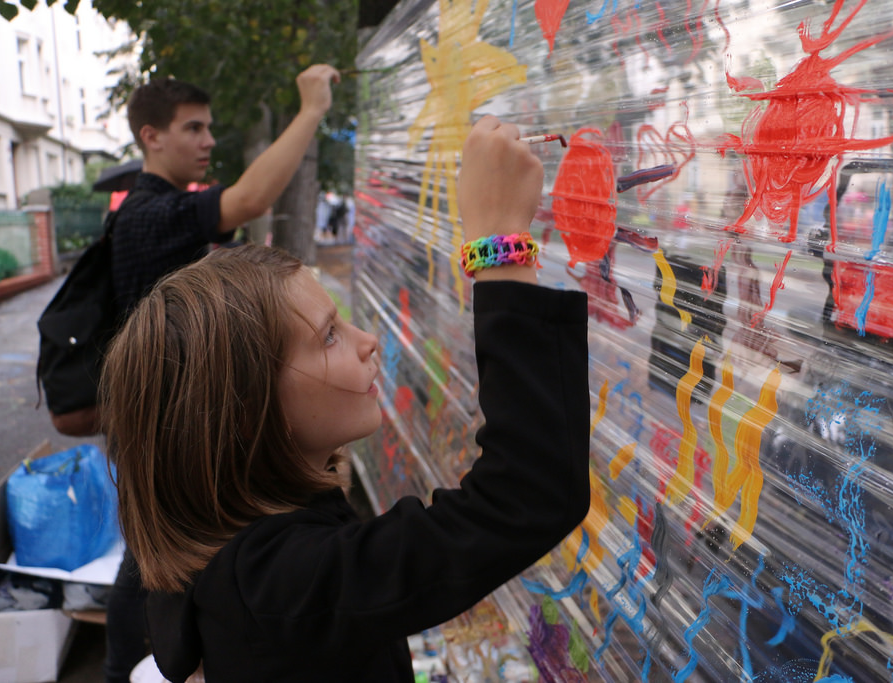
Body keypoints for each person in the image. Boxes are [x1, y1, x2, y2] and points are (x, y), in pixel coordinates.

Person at [100, 115, 591, 681]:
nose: (368, 341)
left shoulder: (244, 558)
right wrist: (498, 246)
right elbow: (526, 493)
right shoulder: (280, 586)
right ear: (249, 411)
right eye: (329, 335)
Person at [103, 64, 341, 683]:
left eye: (209, 127)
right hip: (166, 423)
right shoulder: (148, 213)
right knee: (152, 567)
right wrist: (311, 110)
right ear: (151, 136)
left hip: (172, 419)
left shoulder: (159, 209)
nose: (208, 140)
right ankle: (132, 667)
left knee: (158, 559)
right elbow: (250, 199)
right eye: (194, 128)